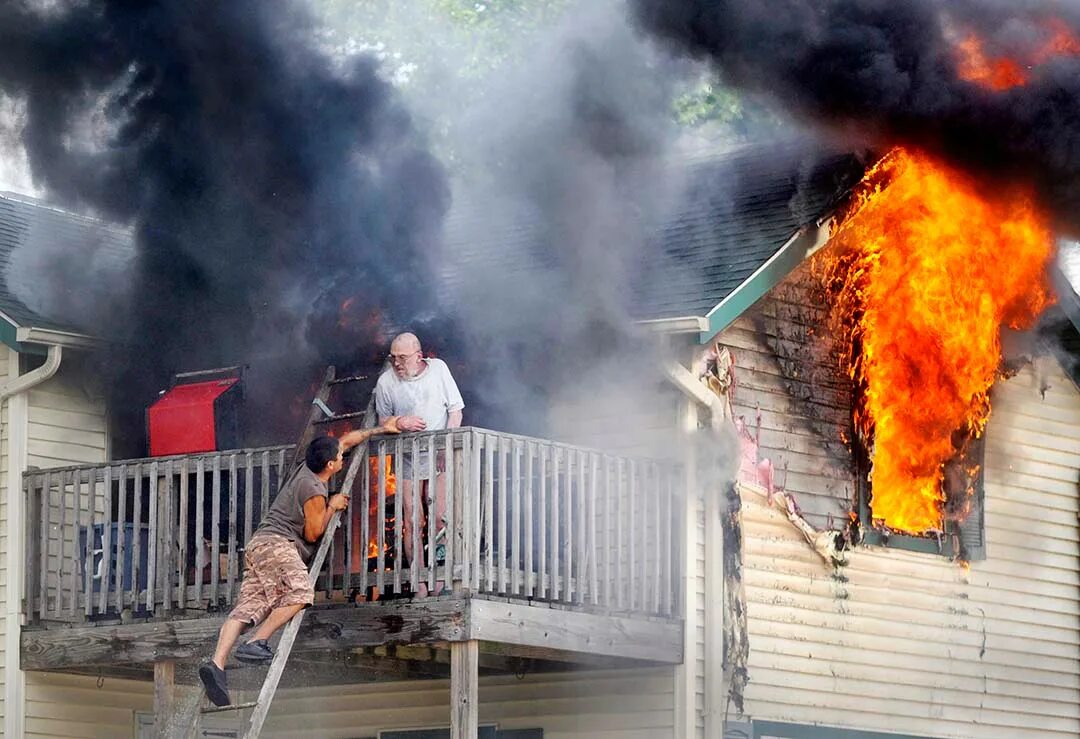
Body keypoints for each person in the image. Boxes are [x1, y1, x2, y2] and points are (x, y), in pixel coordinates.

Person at [198, 424, 396, 707]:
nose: (343, 457)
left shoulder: (309, 467)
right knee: (301, 594)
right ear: (330, 465)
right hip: (279, 546)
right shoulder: (314, 488)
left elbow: (345, 441)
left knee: (248, 608)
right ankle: (257, 642)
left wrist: (379, 429)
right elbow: (313, 533)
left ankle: (216, 665)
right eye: (340, 457)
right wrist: (333, 504)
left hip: (258, 547)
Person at [374, 332, 464, 596]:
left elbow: (455, 410)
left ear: (418, 355)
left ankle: (441, 578)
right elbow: (383, 422)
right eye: (393, 358)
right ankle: (419, 583)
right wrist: (400, 422)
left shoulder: (439, 370)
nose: (397, 363)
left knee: (439, 518)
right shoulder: (386, 382)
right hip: (406, 459)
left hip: (438, 457)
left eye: (402, 357)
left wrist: (445, 445)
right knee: (413, 520)